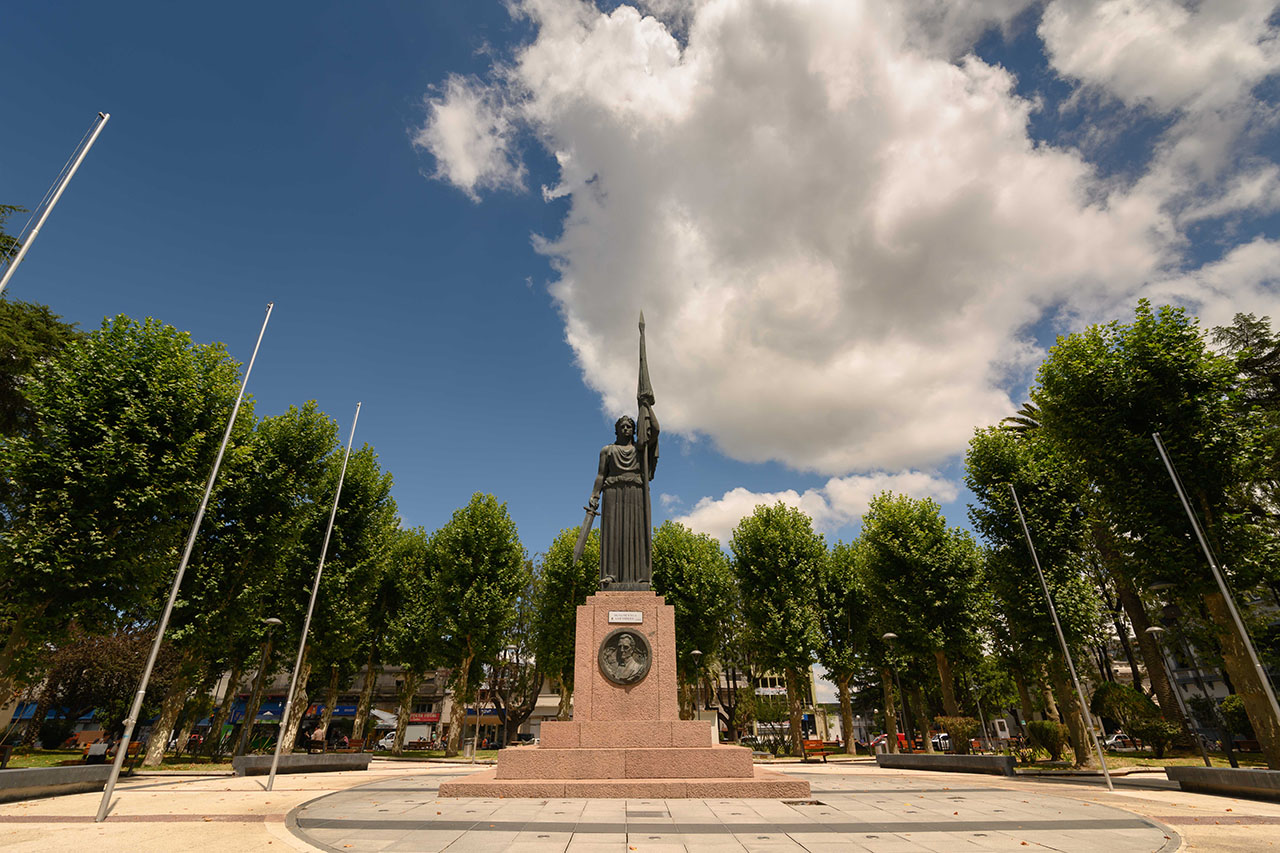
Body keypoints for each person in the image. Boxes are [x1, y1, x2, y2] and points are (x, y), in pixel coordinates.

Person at [589, 409, 658, 586]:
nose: (626, 429)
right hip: (612, 493)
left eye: (629, 426)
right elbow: (600, 475)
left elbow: (655, 431)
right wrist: (595, 494)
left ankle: (640, 577)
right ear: (616, 430)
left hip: (635, 493)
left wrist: (647, 406)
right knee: (613, 533)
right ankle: (610, 575)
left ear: (634, 430)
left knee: (637, 534)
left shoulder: (640, 450)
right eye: (622, 426)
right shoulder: (607, 450)